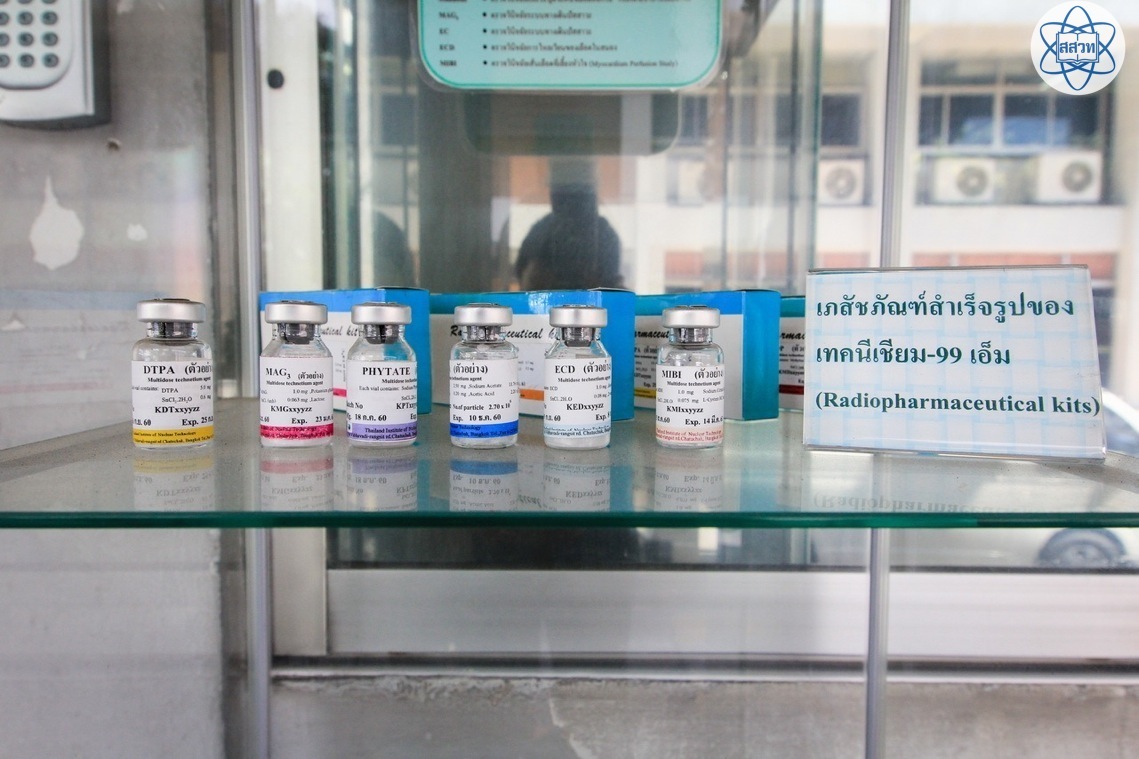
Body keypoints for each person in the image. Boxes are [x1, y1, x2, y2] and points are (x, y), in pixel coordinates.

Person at [514, 159, 624, 290]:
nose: (571, 202)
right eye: (563, 193)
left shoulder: (605, 235)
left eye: (579, 194)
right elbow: (525, 281)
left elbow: (610, 291)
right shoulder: (539, 233)